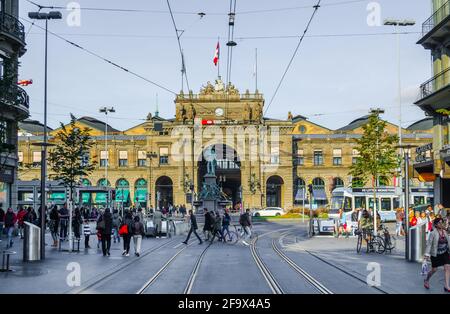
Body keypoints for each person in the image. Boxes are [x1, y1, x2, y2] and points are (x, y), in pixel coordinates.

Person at [423, 218, 450, 292]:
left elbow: (448, 242)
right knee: (434, 269)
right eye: (439, 223)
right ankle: (426, 280)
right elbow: (429, 245)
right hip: (436, 254)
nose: (441, 224)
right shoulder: (433, 233)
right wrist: (426, 254)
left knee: (447, 267)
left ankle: (447, 286)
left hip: (445, 253)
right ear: (435, 225)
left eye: (442, 222)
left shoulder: (445, 232)